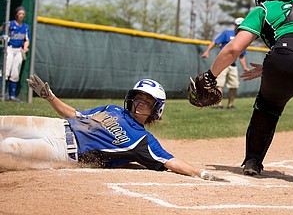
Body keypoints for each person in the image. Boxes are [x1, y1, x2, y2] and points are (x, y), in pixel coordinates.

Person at [193, 0, 293, 185]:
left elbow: (234, 49)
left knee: (268, 108)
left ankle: (253, 161)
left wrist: (210, 76)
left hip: (285, 56)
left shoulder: (265, 8)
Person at [0, 74, 218, 181]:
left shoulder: (143, 141)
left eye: (147, 101)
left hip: (62, 150)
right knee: (3, 122)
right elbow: (74, 114)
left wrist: (201, 172)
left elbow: (170, 161)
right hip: (55, 125)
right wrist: (50, 97)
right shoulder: (113, 109)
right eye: (137, 97)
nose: (140, 102)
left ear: (156, 110)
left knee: (9, 147)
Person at [201, 18, 249, 109]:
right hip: (222, 64)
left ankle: (230, 105)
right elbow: (215, 42)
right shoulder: (227, 33)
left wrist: (245, 67)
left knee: (234, 85)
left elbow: (242, 56)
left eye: (241, 25)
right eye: (238, 25)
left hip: (233, 65)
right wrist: (207, 51)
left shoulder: (243, 38)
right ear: (235, 25)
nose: (239, 27)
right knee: (219, 84)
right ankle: (219, 104)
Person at [4, 6, 30, 102]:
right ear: (16, 14)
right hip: (9, 49)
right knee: (6, 70)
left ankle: (12, 96)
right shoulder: (10, 24)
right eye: (20, 13)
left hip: (19, 50)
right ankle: (3, 93)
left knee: (15, 73)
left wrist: (25, 47)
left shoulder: (25, 27)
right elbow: (3, 33)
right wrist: (4, 26)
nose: (21, 15)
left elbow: (27, 40)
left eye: (23, 14)